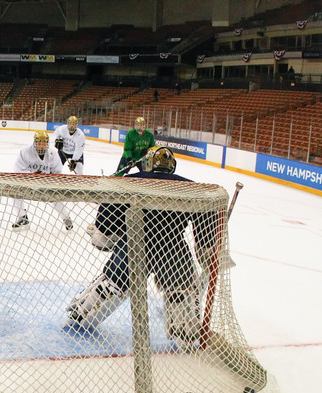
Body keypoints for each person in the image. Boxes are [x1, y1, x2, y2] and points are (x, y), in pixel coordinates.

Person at [68, 146, 205, 347]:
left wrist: (104, 236)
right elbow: (206, 220)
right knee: (181, 292)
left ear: (148, 163)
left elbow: (106, 221)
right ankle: (186, 337)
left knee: (111, 285)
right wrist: (206, 246)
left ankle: (80, 315)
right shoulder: (191, 187)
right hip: (172, 247)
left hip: (132, 245)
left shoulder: (130, 181)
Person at [10, 131, 73, 232]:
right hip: (28, 183)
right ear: (35, 143)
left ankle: (66, 218)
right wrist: (33, 177)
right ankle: (22, 218)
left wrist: (48, 181)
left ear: (47, 143)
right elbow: (18, 170)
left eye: (44, 143)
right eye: (39, 143)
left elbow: (57, 172)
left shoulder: (53, 154)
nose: (42, 146)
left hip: (46, 184)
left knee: (56, 198)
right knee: (16, 192)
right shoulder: (25, 152)